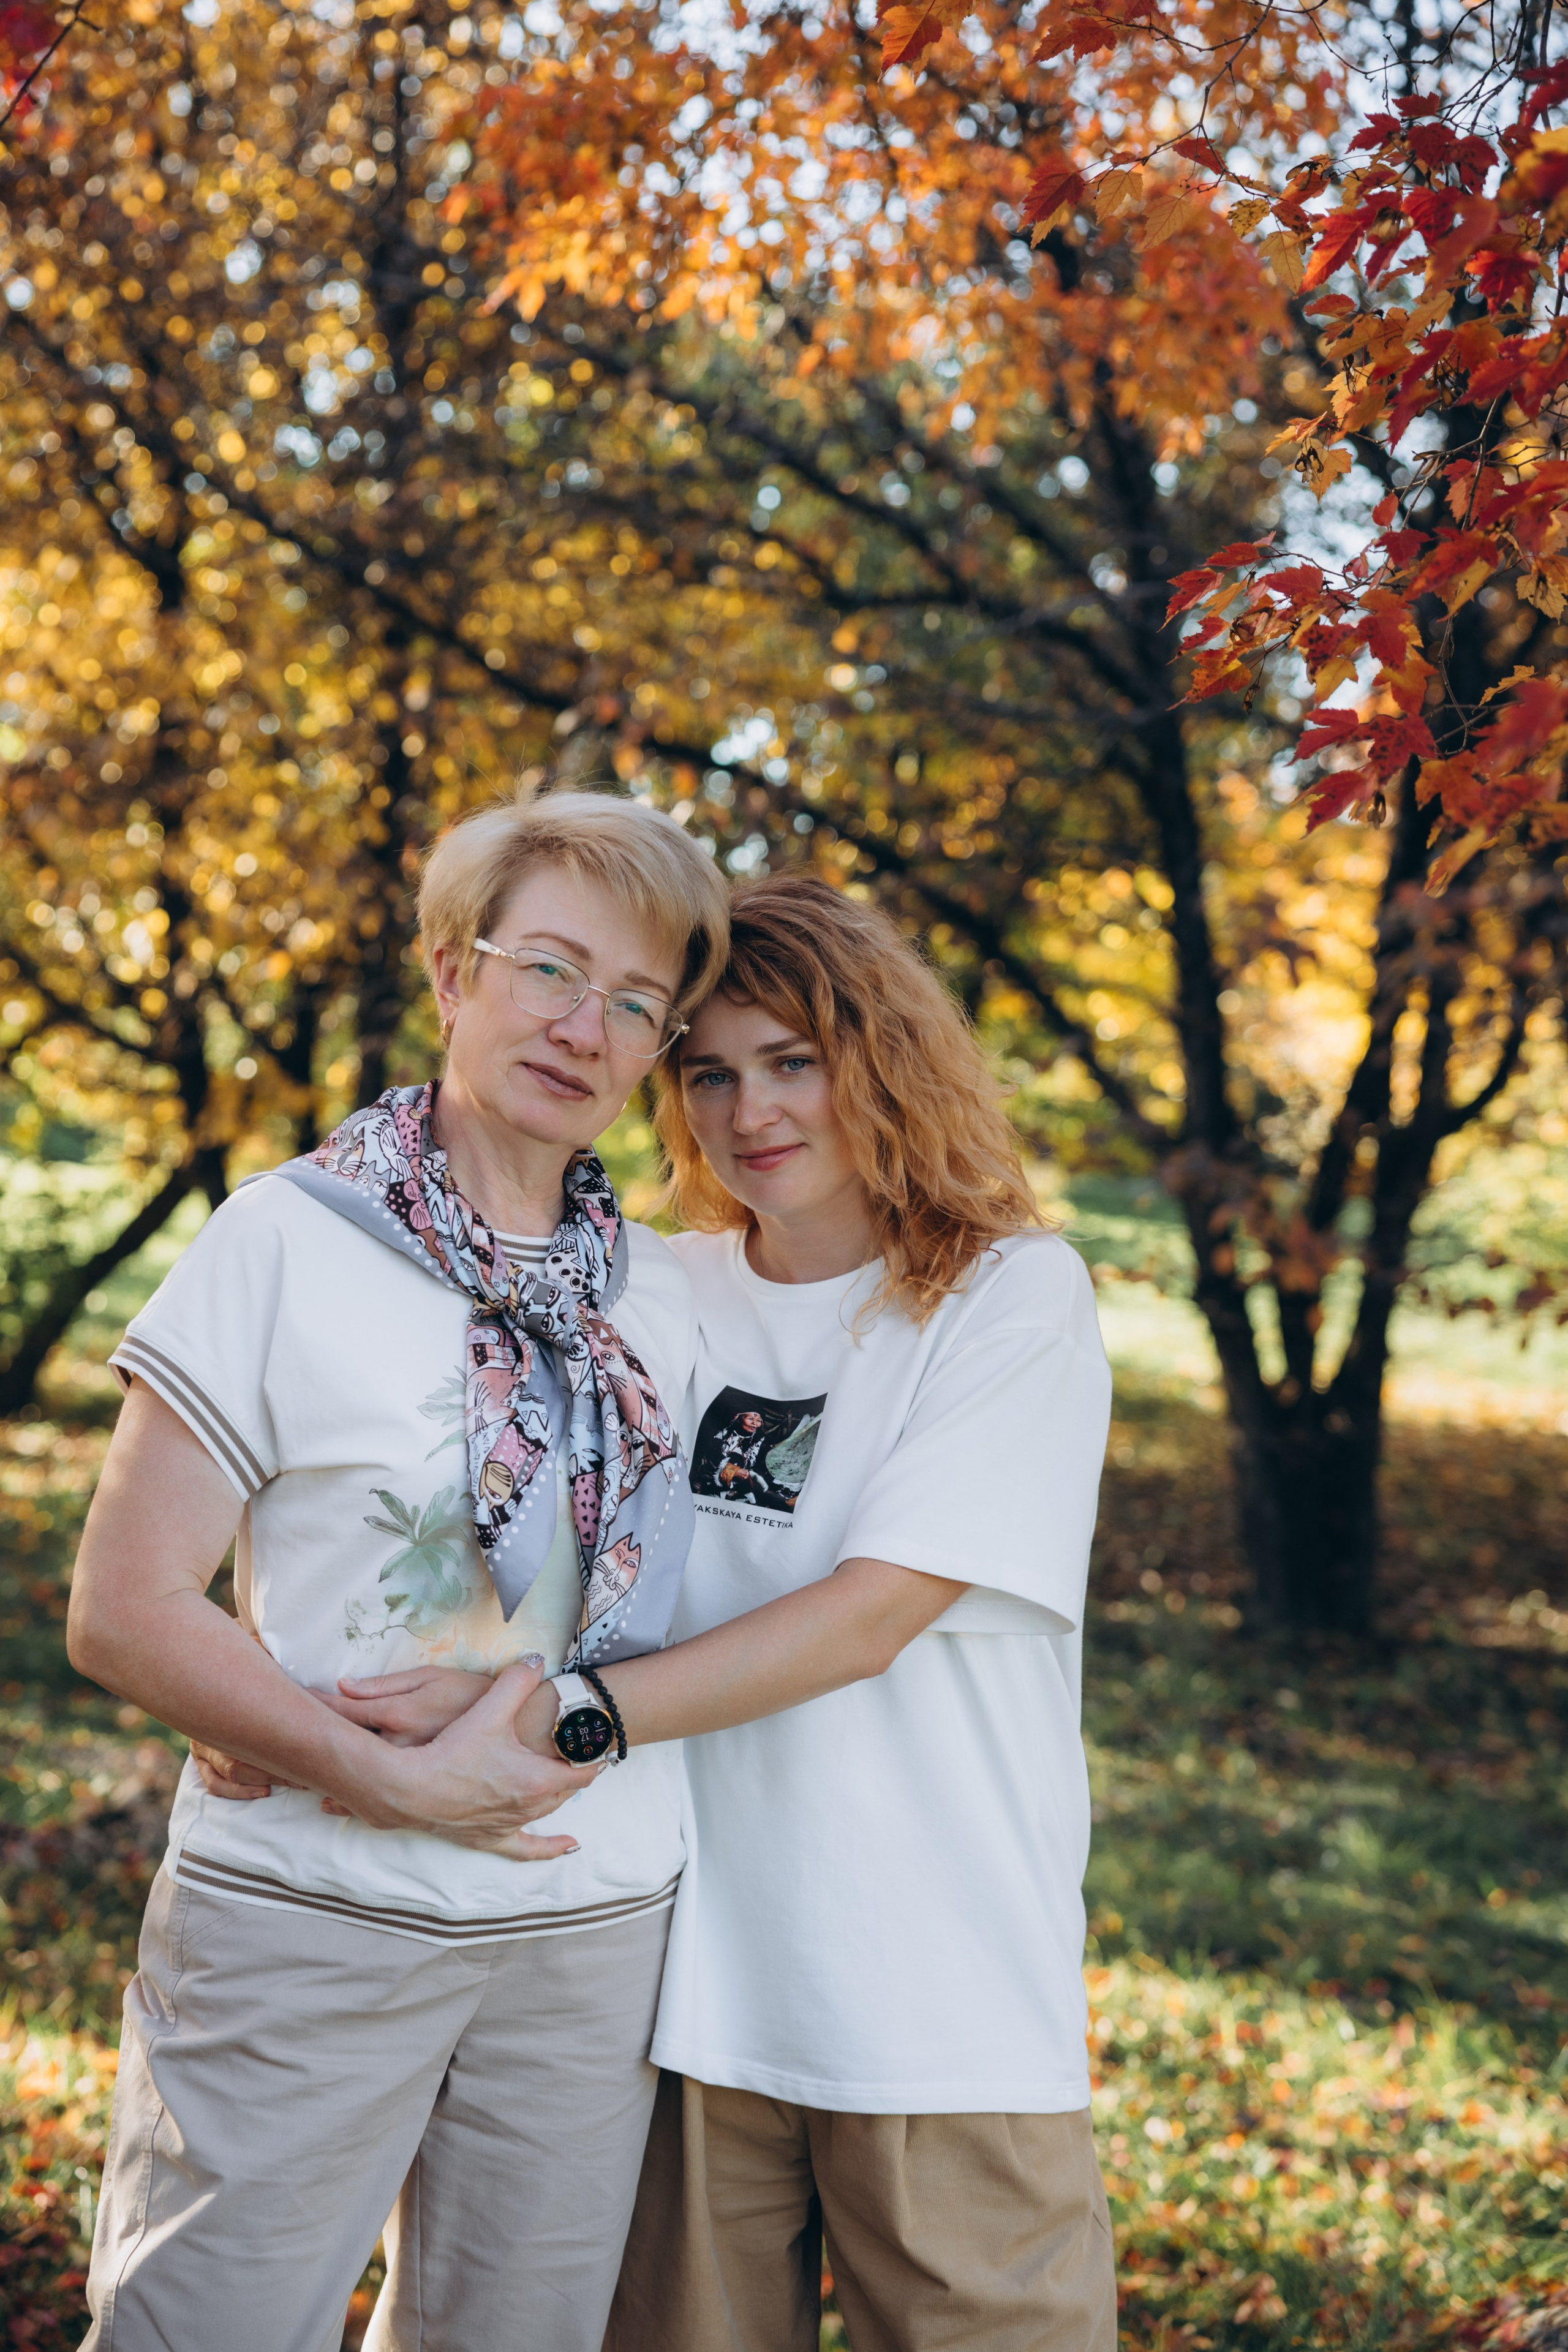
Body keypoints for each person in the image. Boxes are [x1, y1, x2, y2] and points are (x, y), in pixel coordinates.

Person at [304, 875, 1117, 2352]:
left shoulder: (1010, 1298)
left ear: (880, 1057)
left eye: (793, 1061)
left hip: (935, 2002)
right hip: (679, 2004)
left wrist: (565, 1715)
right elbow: (505, 1525)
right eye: (710, 1073)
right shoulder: (656, 1291)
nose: (752, 1112)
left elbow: (871, 1614)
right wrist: (300, 1702)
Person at [66, 788, 729, 2352]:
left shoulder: (679, 1299)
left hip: (590, 1940)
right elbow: (126, 1604)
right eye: (550, 969)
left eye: (636, 1003)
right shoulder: (284, 1241)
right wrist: (374, 1778)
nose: (585, 1026)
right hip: (310, 1912)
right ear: (451, 973)